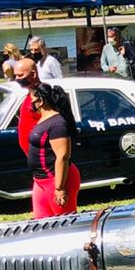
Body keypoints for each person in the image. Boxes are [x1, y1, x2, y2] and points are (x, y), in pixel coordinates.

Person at [27, 83, 80, 218]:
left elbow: (63, 156)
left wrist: (59, 188)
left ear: (41, 101)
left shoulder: (57, 124)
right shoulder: (43, 120)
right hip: (40, 181)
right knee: (41, 224)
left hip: (56, 180)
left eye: (33, 101)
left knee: (65, 224)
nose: (31, 104)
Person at [11, 56, 41, 155]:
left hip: (46, 160)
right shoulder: (29, 95)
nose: (16, 79)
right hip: (35, 158)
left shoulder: (42, 97)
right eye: (15, 76)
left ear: (33, 74)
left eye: (20, 75)